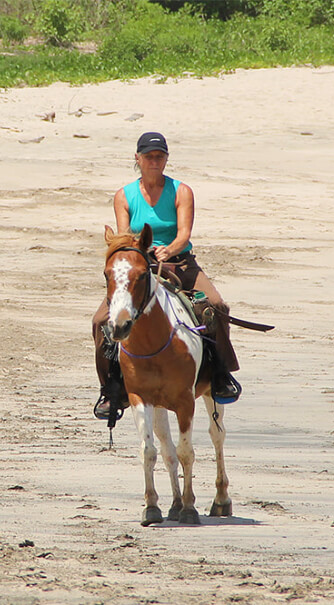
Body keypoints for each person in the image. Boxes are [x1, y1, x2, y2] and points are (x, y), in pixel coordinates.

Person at [92, 131, 241, 420]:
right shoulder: (124, 195)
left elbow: (184, 234)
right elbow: (124, 237)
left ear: (166, 159)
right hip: (139, 265)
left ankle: (222, 374)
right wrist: (142, 254)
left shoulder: (181, 191)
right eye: (148, 157)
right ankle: (110, 387)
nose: (154, 161)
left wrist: (168, 250)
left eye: (159, 157)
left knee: (217, 305)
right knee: (100, 321)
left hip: (181, 263)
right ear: (137, 158)